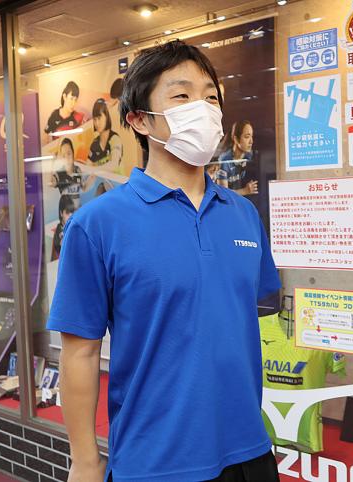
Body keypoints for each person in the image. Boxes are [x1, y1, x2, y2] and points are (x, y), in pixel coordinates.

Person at [47, 40, 281, 482]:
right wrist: (84, 462)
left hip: (250, 452)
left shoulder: (244, 214)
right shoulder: (97, 224)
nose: (204, 108)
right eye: (182, 96)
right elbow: (79, 352)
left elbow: (233, 318)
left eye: (211, 97)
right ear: (138, 119)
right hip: (153, 461)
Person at [50, 138, 95, 210]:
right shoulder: (59, 174)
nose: (67, 158)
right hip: (67, 214)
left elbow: (83, 188)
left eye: (69, 153)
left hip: (78, 212)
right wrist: (52, 164)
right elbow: (51, 183)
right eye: (64, 156)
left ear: (73, 153)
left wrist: (92, 178)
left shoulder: (78, 170)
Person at [218, 120, 258, 196]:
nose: (251, 141)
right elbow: (223, 194)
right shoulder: (224, 161)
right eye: (247, 137)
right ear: (236, 139)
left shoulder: (249, 155)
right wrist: (244, 191)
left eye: (251, 136)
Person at [87, 98, 123, 172]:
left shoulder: (115, 139)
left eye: (99, 118)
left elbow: (114, 164)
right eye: (95, 119)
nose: (97, 123)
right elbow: (88, 166)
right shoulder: (94, 143)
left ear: (106, 116)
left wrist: (94, 170)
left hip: (118, 182)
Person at [50, 195, 75, 262]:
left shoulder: (73, 226)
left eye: (72, 212)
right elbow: (57, 247)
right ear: (61, 213)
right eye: (67, 213)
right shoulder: (59, 229)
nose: (70, 216)